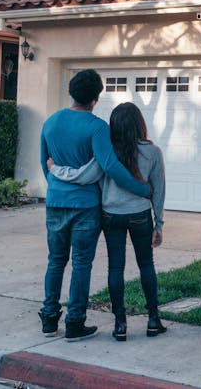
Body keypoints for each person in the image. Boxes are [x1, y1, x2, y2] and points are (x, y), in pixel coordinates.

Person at [39, 69, 151, 342]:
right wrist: (142, 189)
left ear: (71, 93)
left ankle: (49, 319)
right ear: (96, 98)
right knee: (81, 264)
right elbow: (111, 166)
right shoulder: (97, 127)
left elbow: (45, 164)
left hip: (56, 202)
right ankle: (75, 322)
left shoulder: (50, 122)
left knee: (55, 261)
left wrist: (58, 188)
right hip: (86, 205)